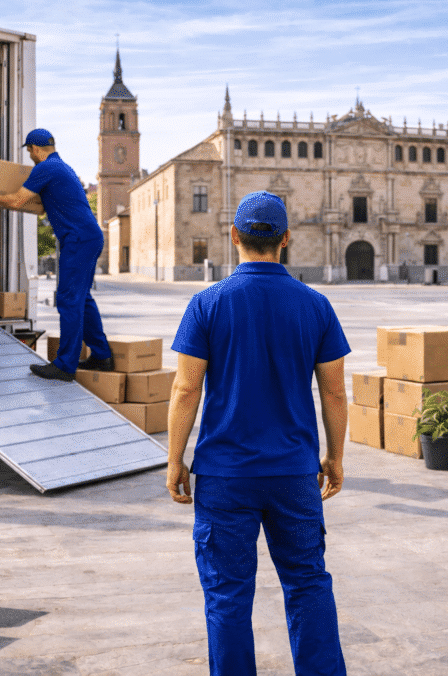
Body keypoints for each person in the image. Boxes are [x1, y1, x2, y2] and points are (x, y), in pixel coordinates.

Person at [166, 191, 350, 676]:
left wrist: (173, 459)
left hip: (225, 476)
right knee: (308, 585)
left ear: (234, 236)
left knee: (227, 595)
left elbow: (187, 390)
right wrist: (335, 456)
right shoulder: (315, 305)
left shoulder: (207, 303)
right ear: (286, 239)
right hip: (294, 473)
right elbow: (333, 392)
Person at [0, 129, 112, 382]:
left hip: (78, 240)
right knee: (82, 298)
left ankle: (65, 365)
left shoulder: (45, 168)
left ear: (36, 149)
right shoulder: (62, 167)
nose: (30, 156)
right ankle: (102, 356)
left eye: (29, 151)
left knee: (69, 300)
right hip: (88, 237)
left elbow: (16, 201)